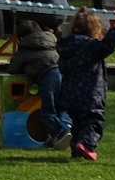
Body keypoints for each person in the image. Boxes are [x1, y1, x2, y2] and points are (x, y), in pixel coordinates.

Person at [57, 8, 115, 160]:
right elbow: (108, 45)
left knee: (77, 122)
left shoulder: (66, 47)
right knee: (93, 121)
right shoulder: (92, 47)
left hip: (70, 93)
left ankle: (76, 149)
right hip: (90, 92)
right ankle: (86, 144)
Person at [8, 19, 73, 150]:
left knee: (47, 110)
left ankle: (58, 132)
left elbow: (13, 69)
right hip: (65, 75)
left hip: (48, 78)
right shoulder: (51, 42)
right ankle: (67, 128)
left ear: (21, 38)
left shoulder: (25, 49)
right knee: (62, 107)